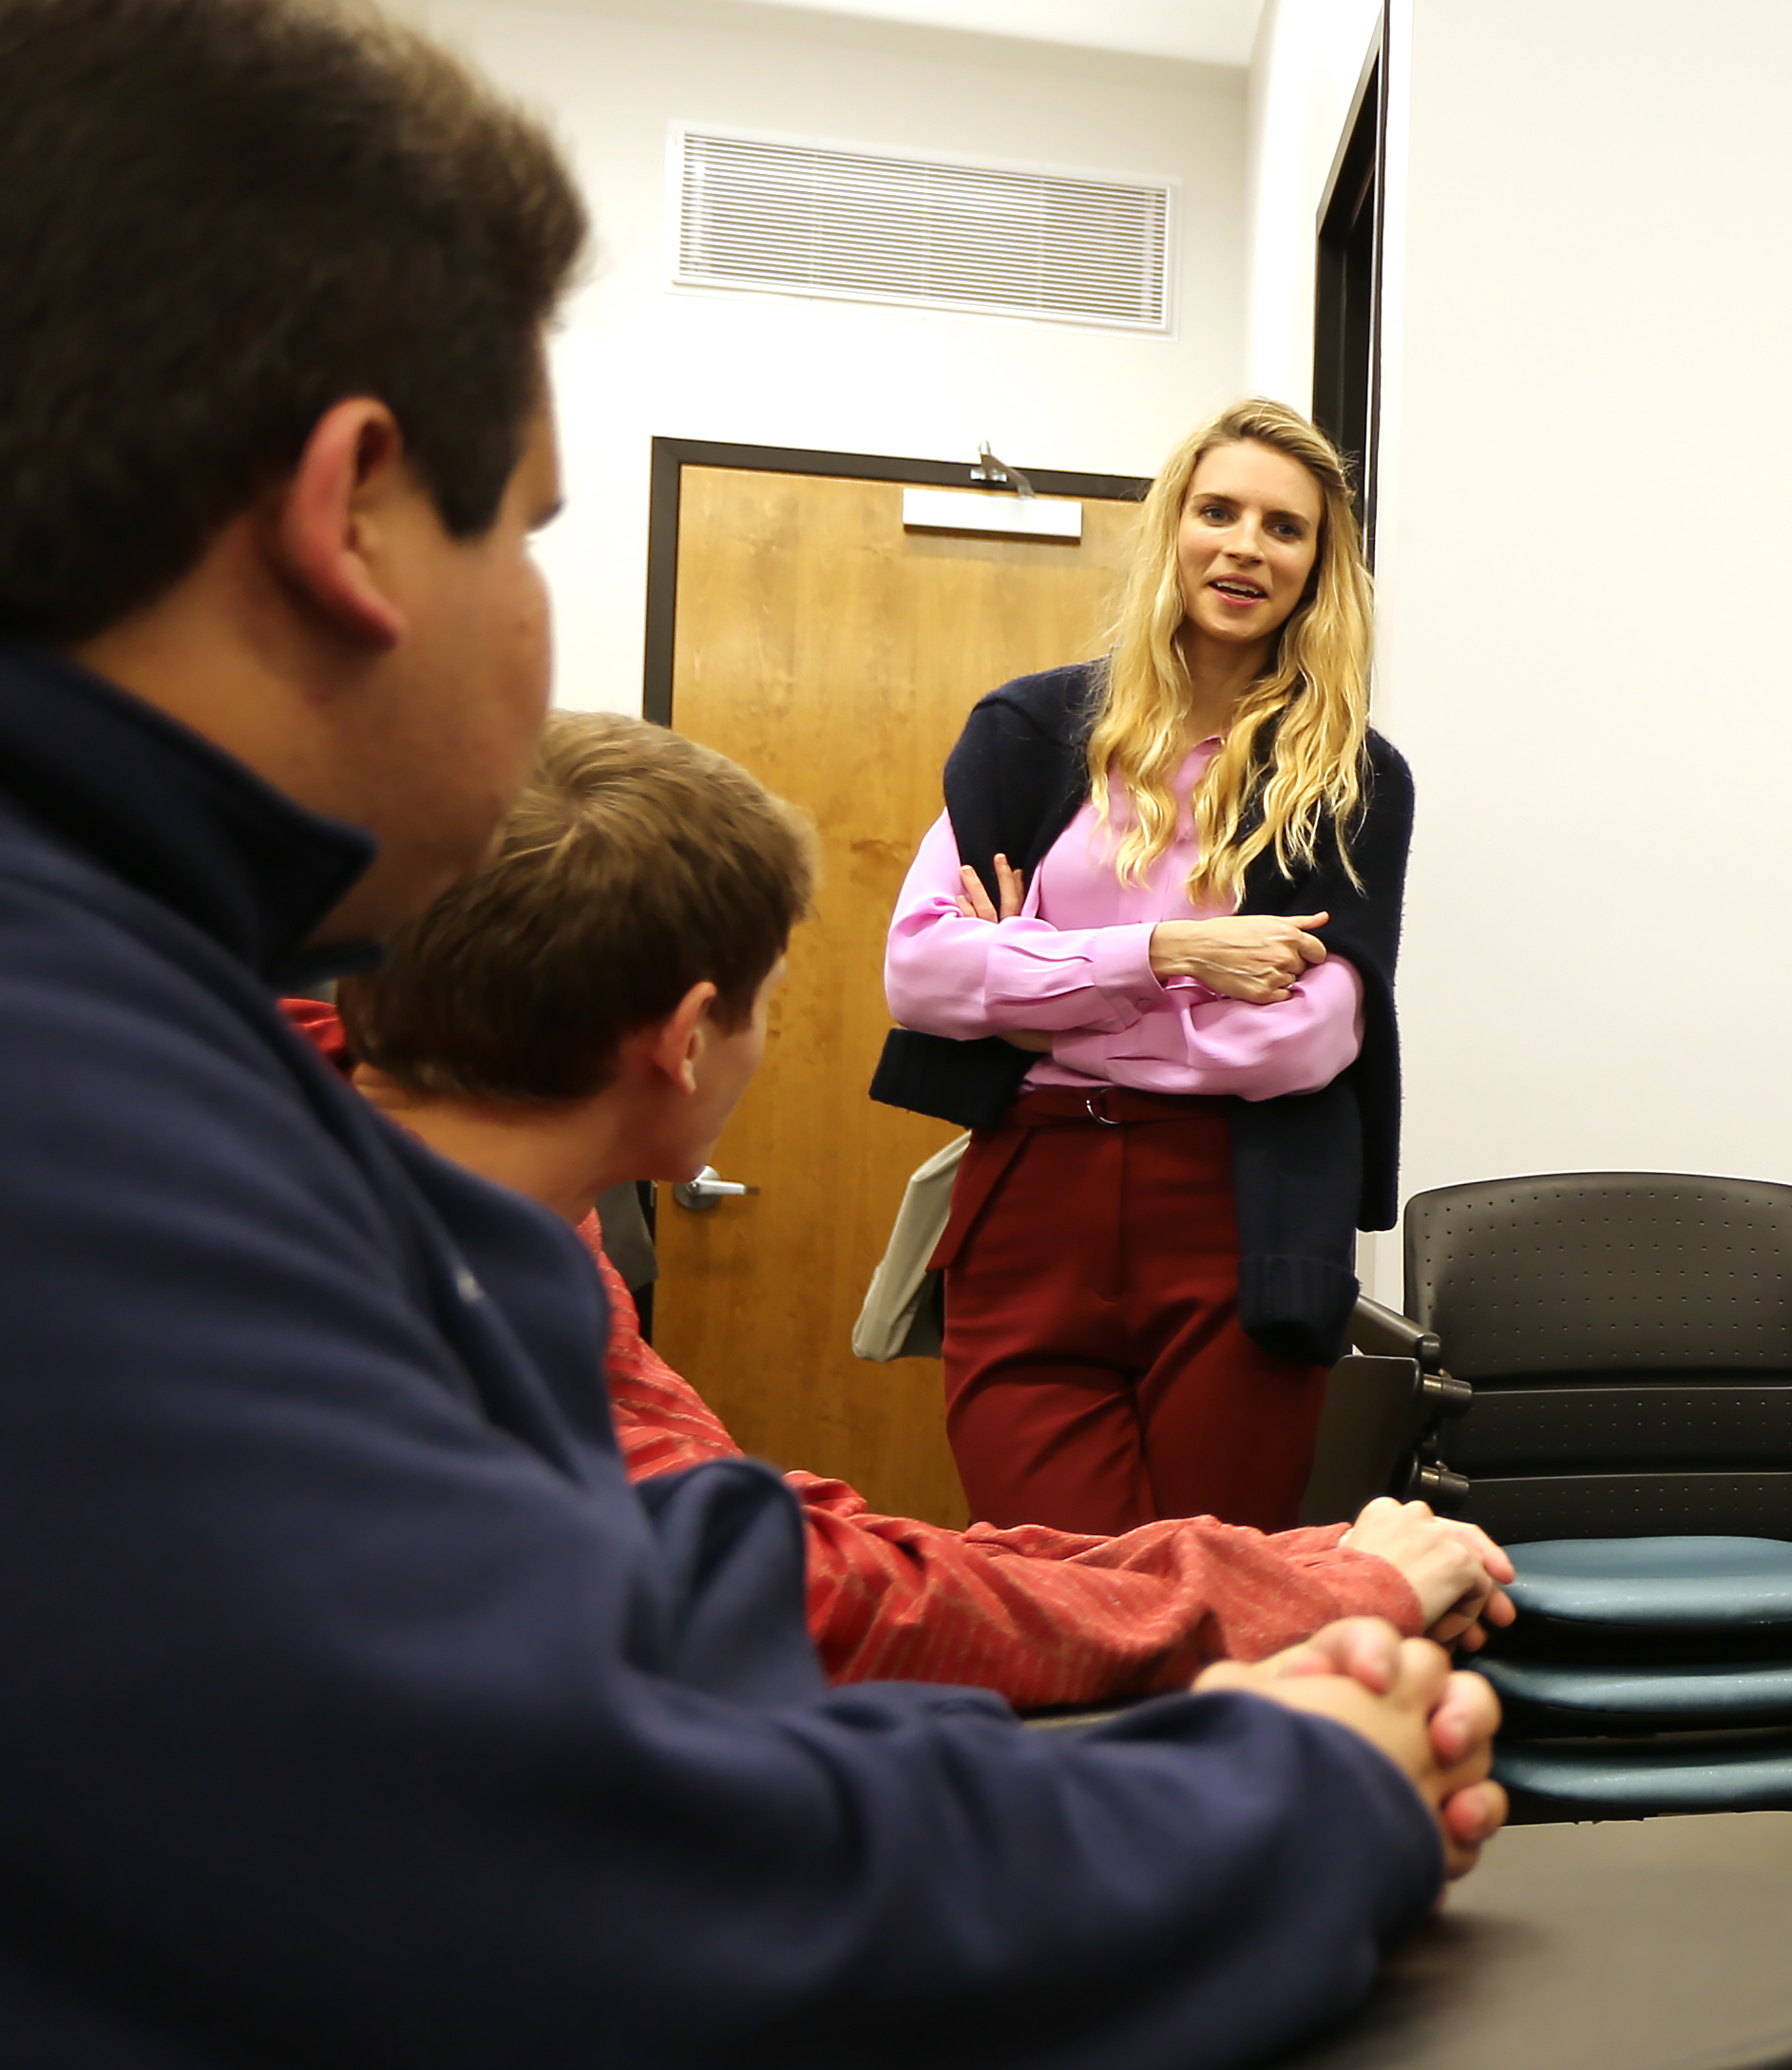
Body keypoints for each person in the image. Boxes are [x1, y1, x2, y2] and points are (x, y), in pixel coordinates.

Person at [0, 0, 1661, 2070]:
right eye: (539, 527)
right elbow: (567, 1898)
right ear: (358, 512)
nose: (547, 623)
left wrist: (1112, 980)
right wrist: (1283, 1788)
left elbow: (1297, 1028)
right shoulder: (108, 1090)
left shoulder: (211, 1055)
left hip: (1226, 1246)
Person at [319, 707, 1517, 1706]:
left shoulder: (382, 1159)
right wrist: (1321, 1593)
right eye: (769, 1001)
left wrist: (1289, 1570)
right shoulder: (390, 1284)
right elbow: (812, 1595)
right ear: (688, 1042)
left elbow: (793, 1552)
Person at [877, 396, 1409, 1534]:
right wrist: (1171, 951)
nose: (1244, 546)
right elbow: (922, 973)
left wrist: (1033, 991)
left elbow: (1302, 1039)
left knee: (1211, 1580)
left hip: (1241, 1210)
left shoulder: (1351, 777)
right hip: (1029, 1206)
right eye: (1217, 511)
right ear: (1173, 527)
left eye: (1284, 527)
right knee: (1055, 1581)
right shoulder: (1028, 733)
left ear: (1318, 566)